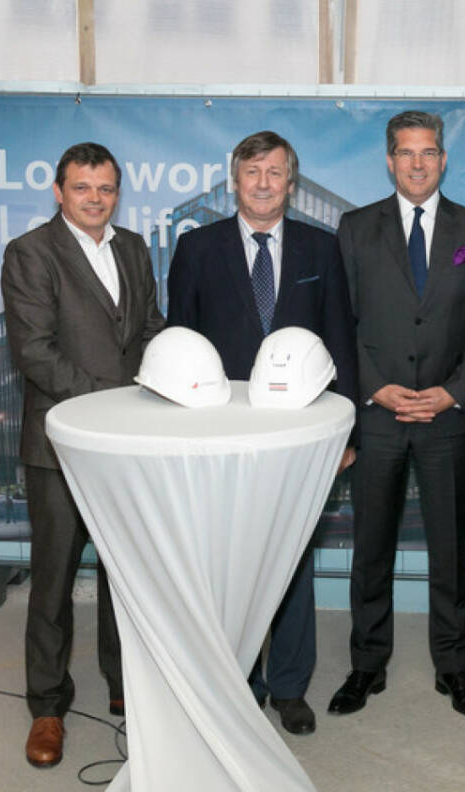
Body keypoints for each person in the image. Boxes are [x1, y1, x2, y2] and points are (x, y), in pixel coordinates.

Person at [164, 130, 357, 737]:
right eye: (253, 172)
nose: (265, 183)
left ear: (291, 183)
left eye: (276, 172)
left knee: (293, 557)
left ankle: (291, 687)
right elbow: (179, 345)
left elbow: (340, 343)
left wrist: (346, 432)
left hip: (300, 435)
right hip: (220, 435)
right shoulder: (196, 248)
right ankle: (239, 682)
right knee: (230, 562)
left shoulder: (323, 250)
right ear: (235, 180)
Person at [330, 110, 465, 719]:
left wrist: (453, 392)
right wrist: (375, 389)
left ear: (444, 159)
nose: (418, 163)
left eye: (429, 152)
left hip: (447, 419)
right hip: (378, 416)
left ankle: (453, 667)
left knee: (449, 550)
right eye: (406, 153)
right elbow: (340, 323)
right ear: (389, 159)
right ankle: (366, 665)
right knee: (370, 547)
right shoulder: (353, 229)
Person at [0, 142, 165, 768]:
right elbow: (35, 353)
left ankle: (125, 687)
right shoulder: (31, 253)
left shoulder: (133, 248)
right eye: (82, 188)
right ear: (59, 191)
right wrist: (116, 400)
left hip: (126, 446)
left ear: (117, 192)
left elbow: (148, 326)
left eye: (105, 189)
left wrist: (171, 368)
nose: (95, 199)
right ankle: (46, 706)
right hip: (60, 447)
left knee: (127, 576)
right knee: (54, 583)